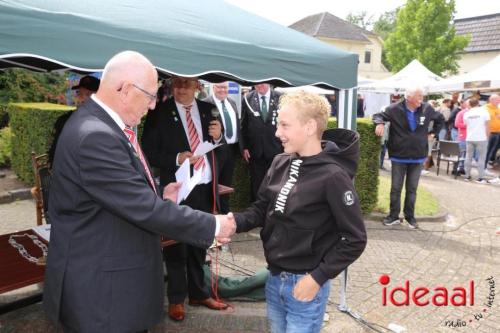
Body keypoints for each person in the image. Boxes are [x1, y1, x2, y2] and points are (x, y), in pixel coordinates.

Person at [43, 51, 236, 332]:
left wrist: (159, 193)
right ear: (124, 89)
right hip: (104, 298)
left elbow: (119, 189)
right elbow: (144, 208)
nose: (154, 104)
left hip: (107, 285)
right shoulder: (95, 135)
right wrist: (213, 224)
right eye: (150, 95)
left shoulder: (101, 124)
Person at [234, 90, 367, 333]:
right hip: (274, 279)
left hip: (306, 285)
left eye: (284, 125)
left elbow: (355, 239)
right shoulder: (280, 162)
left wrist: (317, 278)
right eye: (278, 125)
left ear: (309, 127)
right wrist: (232, 222)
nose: (277, 133)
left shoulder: (333, 176)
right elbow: (261, 209)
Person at [141, 76, 228, 322]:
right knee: (176, 245)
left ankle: (199, 293)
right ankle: (177, 298)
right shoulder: (159, 113)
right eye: (176, 84)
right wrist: (178, 157)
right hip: (177, 189)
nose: (180, 89)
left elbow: (218, 146)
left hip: (204, 187)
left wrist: (219, 135)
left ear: (197, 87)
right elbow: (147, 151)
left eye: (186, 84)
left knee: (201, 241)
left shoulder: (207, 109)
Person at [373, 86, 443, 229]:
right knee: (396, 188)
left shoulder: (426, 109)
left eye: (422, 96)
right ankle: (393, 216)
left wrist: (433, 133)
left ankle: (410, 217)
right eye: (419, 96)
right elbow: (377, 115)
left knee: (412, 189)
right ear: (409, 97)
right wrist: (379, 123)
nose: (421, 99)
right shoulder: (394, 109)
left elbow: (440, 119)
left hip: (417, 156)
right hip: (399, 155)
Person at [203, 81, 241, 213]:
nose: (223, 90)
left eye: (225, 87)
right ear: (213, 87)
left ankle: (224, 212)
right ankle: (210, 213)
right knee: (212, 182)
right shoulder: (205, 104)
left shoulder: (232, 102)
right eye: (219, 87)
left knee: (226, 184)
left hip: (232, 149)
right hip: (216, 151)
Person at [240, 83, 283, 200]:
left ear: (269, 82)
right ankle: (256, 213)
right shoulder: (247, 98)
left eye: (263, 82)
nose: (260, 85)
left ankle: (273, 211)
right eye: (257, 83)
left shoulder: (281, 98)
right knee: (256, 184)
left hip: (277, 150)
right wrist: (244, 147)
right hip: (256, 151)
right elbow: (243, 125)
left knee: (276, 182)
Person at [47, 75, 100, 167]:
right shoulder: (64, 121)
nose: (82, 99)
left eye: (88, 94)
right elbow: (54, 152)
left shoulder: (107, 122)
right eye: (80, 93)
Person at [463, 98, 490, 184]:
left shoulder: (467, 113)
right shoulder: (484, 112)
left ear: (469, 104)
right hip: (481, 138)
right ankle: (480, 178)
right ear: (478, 103)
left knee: (468, 157)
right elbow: (487, 126)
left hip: (470, 137)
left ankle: (467, 176)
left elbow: (466, 124)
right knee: (481, 158)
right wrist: (487, 137)